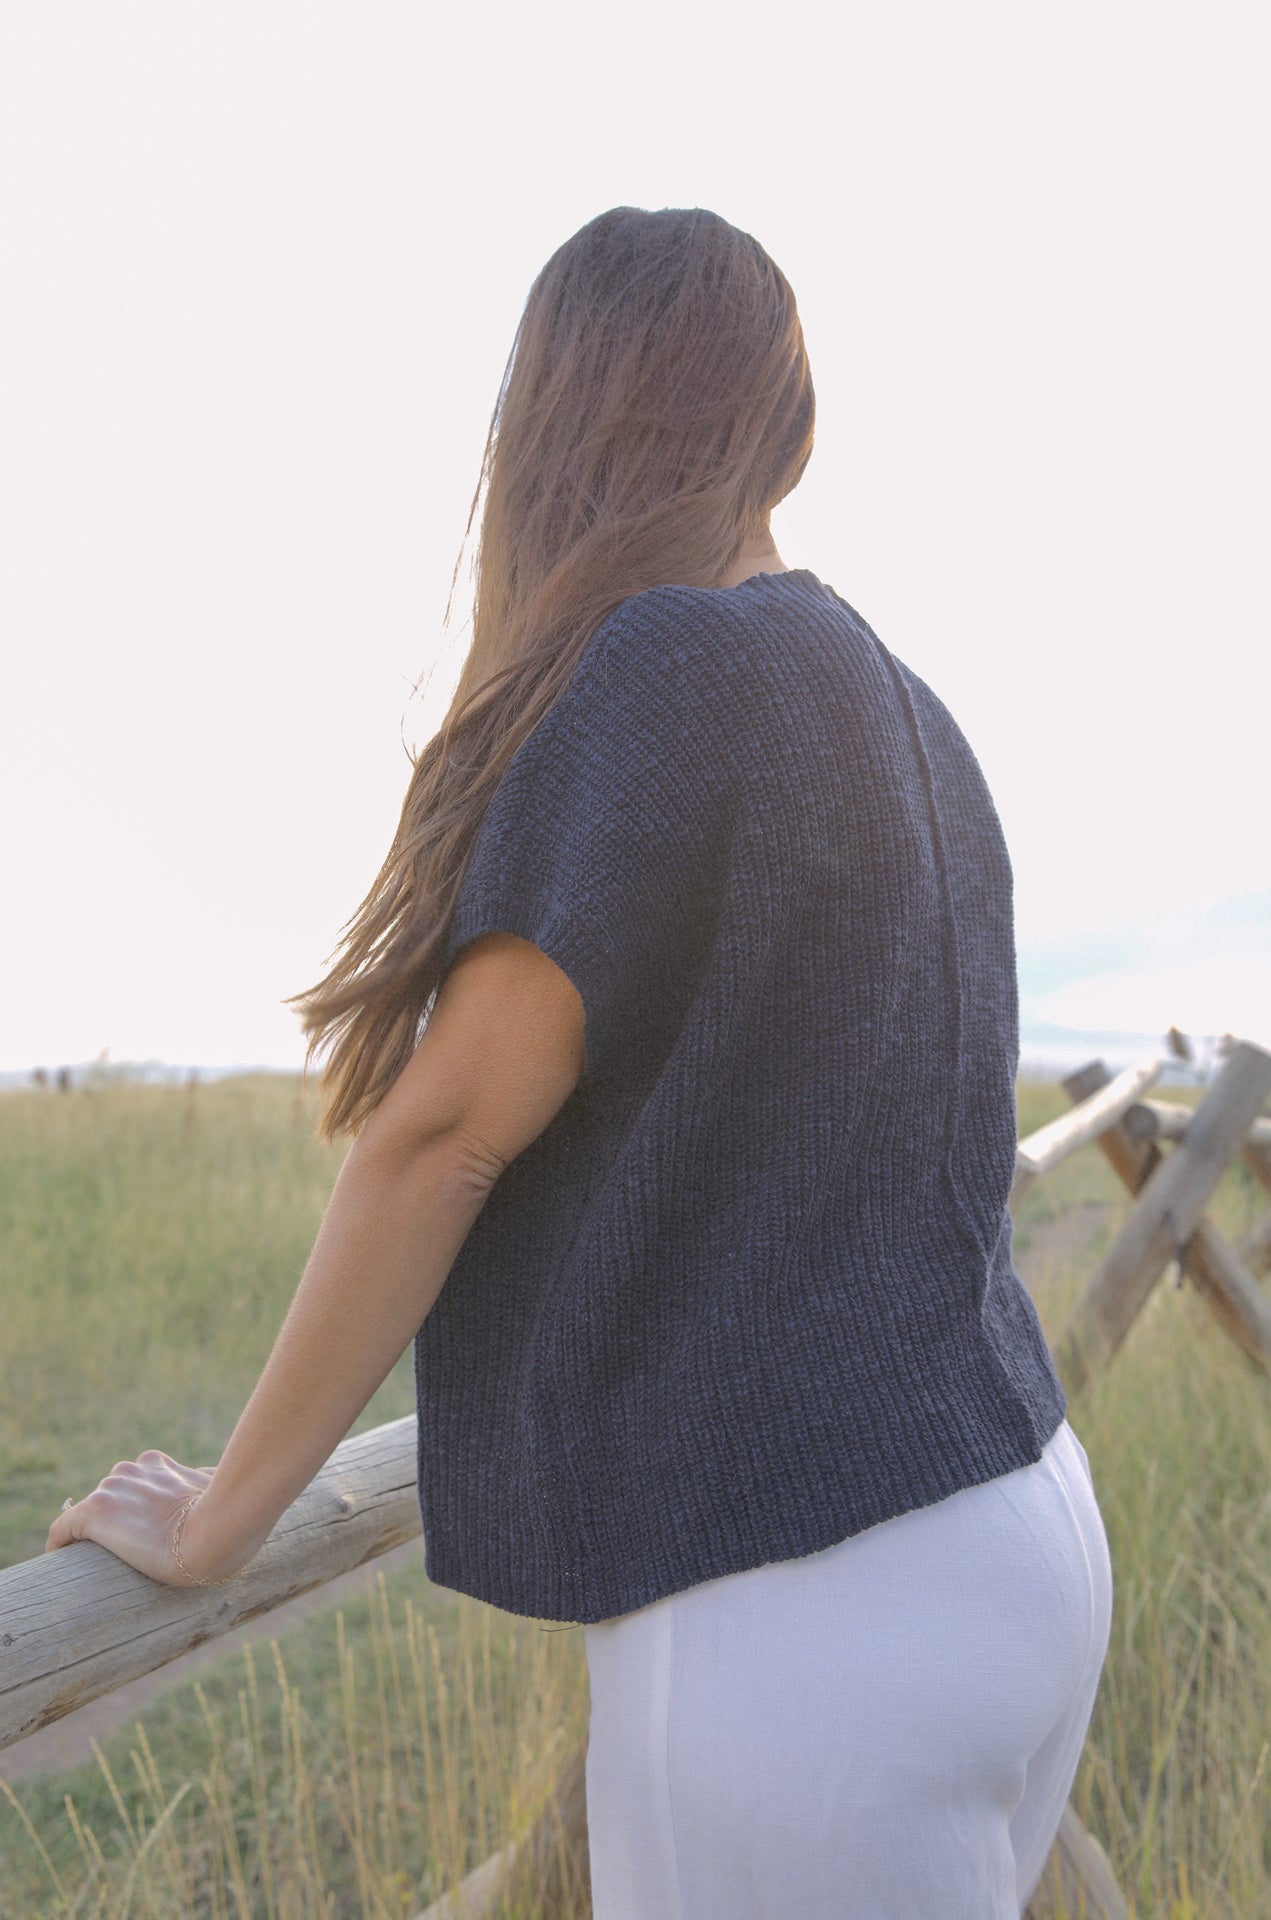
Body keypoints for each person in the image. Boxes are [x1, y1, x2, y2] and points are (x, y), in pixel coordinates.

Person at [47, 206, 1113, 1918]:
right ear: (785, 418)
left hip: (806, 1606)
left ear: (560, 409)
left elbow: (444, 1134)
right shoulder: (912, 705)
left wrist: (222, 1515)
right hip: (1022, 1528)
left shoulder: (669, 668)